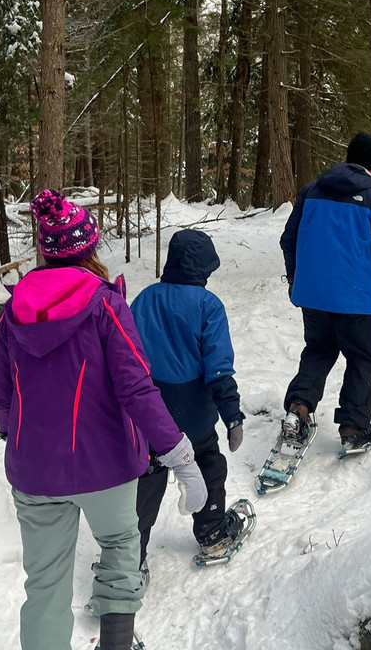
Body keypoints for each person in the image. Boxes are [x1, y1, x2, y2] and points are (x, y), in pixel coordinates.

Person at [0, 189, 207, 650]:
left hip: (35, 471)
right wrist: (180, 455)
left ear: (46, 251)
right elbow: (137, 388)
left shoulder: (13, 311)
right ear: (89, 247)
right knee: (121, 550)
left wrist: (12, 431)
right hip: (107, 465)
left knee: (44, 584)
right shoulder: (105, 305)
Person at [278, 132, 371, 450]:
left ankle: (298, 409)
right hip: (354, 299)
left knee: (318, 350)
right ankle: (353, 427)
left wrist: (295, 278)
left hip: (313, 295)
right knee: (362, 358)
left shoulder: (312, 191)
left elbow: (289, 240)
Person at [129, 229, 246, 571]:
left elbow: (126, 355)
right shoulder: (208, 305)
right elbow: (219, 368)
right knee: (208, 462)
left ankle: (130, 555)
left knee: (147, 476)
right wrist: (232, 414)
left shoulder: (144, 299)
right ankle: (212, 530)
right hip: (194, 414)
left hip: (149, 414)